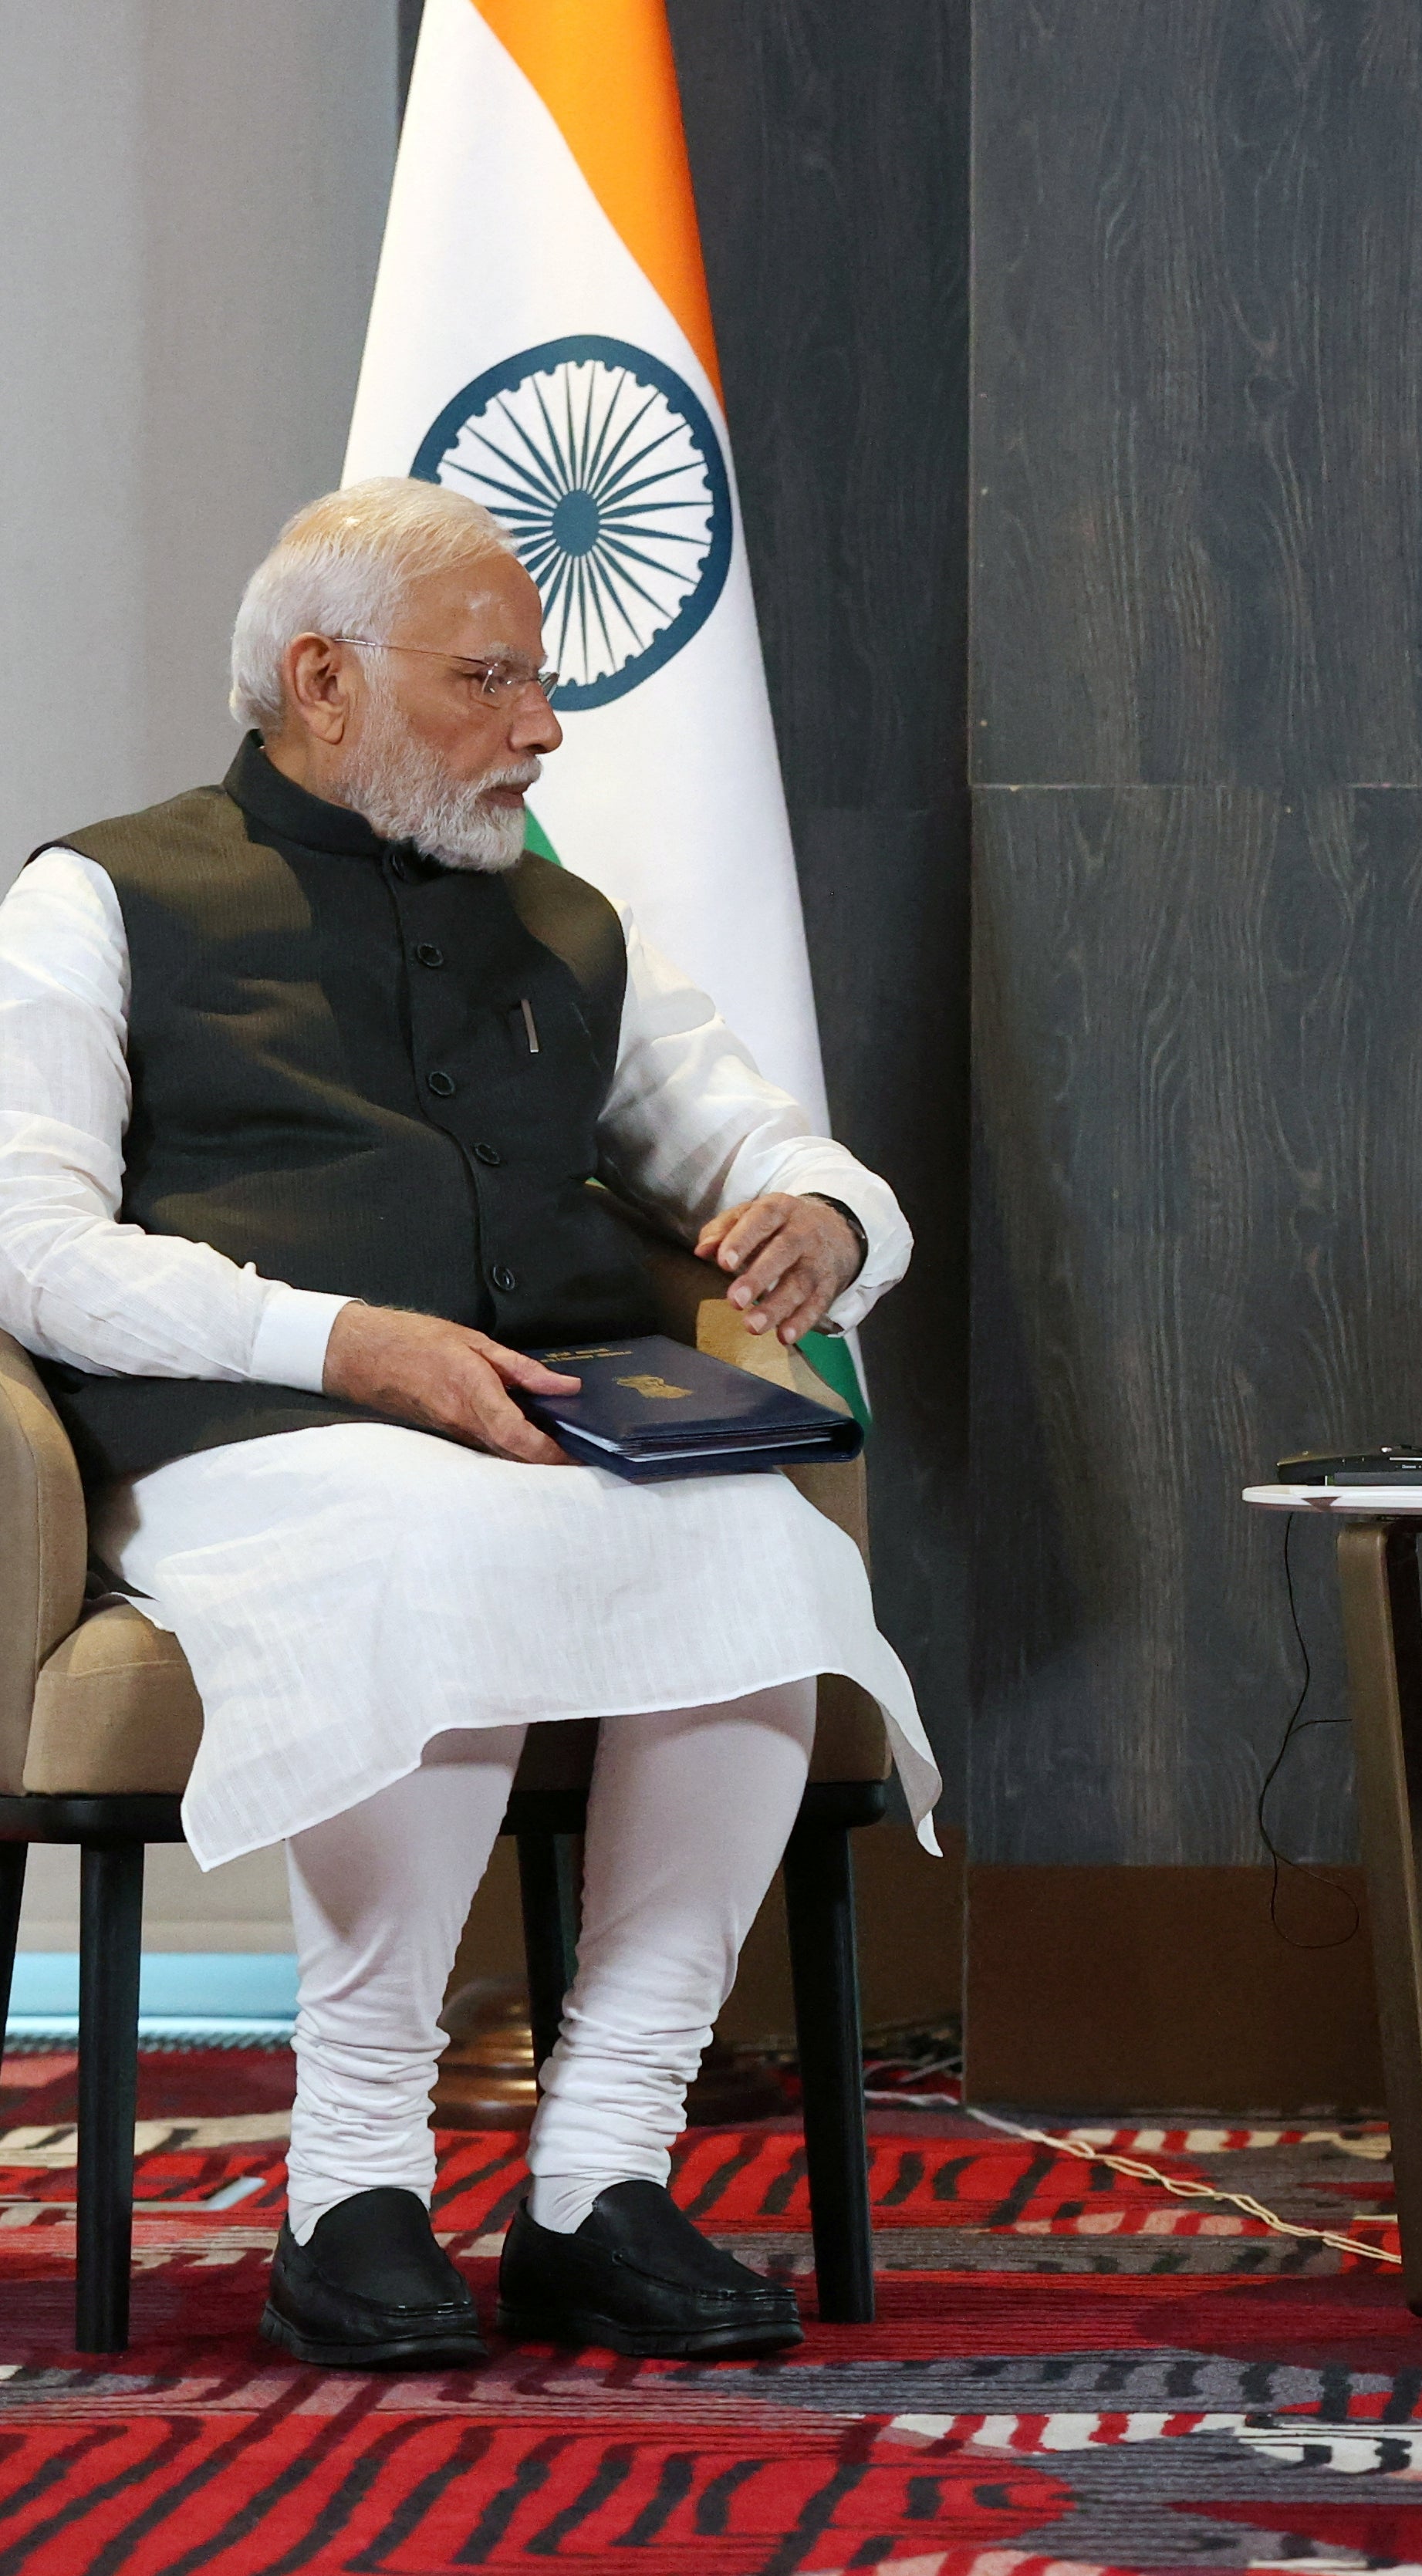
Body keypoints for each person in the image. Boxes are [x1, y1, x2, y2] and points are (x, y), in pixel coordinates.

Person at [0, 478, 938, 2368]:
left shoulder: (568, 927)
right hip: (243, 1442)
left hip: (537, 1426)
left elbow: (768, 1141)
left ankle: (601, 2175)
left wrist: (825, 1219)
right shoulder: (97, 895)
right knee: (431, 1543)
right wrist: (345, 1346)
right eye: (489, 679)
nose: (543, 725)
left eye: (541, 679)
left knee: (756, 1548)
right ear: (325, 681)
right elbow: (30, 1247)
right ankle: (350, 2185)